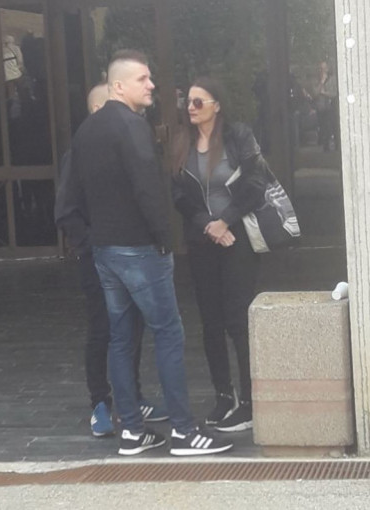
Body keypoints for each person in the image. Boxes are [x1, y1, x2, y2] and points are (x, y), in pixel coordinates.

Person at [70, 49, 232, 456]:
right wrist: (165, 238)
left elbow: (76, 192)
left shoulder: (86, 131)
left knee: (121, 338)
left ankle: (132, 431)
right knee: (168, 333)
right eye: (143, 79)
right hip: (140, 249)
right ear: (118, 85)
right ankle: (183, 432)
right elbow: (148, 188)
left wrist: (91, 240)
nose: (152, 85)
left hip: (104, 250)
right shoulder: (132, 126)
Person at [54, 82, 167, 437]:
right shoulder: (79, 152)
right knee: (103, 328)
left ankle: (131, 397)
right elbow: (66, 209)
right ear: (96, 111)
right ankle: (100, 403)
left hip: (128, 250)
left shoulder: (124, 148)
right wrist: (90, 246)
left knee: (131, 327)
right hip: (98, 255)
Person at [171, 77, 268, 432]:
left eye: (199, 101)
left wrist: (225, 221)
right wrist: (206, 224)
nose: (191, 107)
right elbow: (178, 195)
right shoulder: (182, 142)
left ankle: (251, 401)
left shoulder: (238, 136)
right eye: (188, 101)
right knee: (210, 321)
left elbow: (256, 184)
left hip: (237, 237)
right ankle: (224, 395)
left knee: (238, 318)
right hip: (202, 241)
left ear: (217, 105)